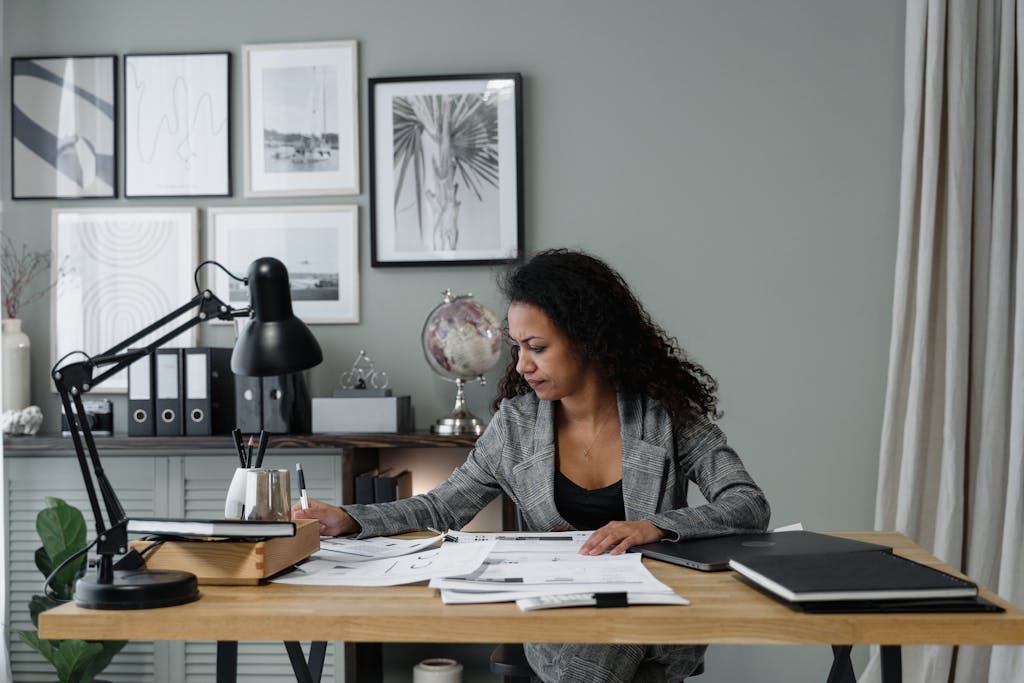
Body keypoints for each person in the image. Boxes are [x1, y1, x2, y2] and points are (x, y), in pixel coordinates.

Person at [294, 248, 771, 682]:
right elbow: (443, 508)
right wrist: (351, 517)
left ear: (589, 341)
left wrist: (655, 527)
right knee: (596, 658)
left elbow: (747, 503)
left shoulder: (664, 416)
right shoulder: (516, 426)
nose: (521, 365)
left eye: (537, 348)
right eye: (517, 346)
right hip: (557, 618)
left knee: (608, 648)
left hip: (651, 612)